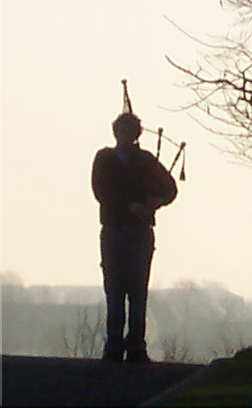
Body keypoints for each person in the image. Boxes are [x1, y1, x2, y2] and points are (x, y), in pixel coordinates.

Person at [91, 90, 178, 363]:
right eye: (122, 130)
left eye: (130, 131)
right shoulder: (104, 159)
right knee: (115, 291)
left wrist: (155, 202)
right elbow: (101, 191)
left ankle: (136, 346)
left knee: (137, 292)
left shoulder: (146, 161)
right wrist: (131, 207)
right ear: (116, 133)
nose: (126, 136)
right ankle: (115, 346)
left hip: (138, 233)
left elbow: (170, 188)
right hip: (116, 230)